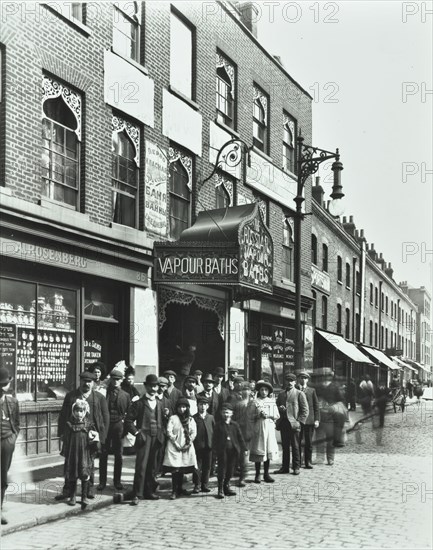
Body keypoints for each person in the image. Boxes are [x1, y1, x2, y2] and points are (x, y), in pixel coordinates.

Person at [57, 371, 109, 501]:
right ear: (80, 381)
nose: (87, 384)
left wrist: (102, 437)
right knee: (71, 462)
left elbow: (105, 418)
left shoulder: (99, 398)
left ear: (93, 383)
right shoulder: (71, 396)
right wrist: (62, 434)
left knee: (89, 463)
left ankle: (88, 489)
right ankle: (68, 490)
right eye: (84, 381)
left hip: (90, 437)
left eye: (89, 382)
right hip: (74, 435)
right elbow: (63, 416)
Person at [124, 374, 165, 504]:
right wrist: (136, 433)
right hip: (144, 438)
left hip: (156, 438)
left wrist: (161, 434)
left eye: (155, 386)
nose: (153, 389)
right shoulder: (139, 404)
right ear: (146, 386)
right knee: (141, 466)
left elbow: (165, 421)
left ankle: (149, 491)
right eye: (151, 386)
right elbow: (129, 421)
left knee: (153, 467)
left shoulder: (160, 403)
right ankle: (137, 494)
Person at [61, 399, 99, 509]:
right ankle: (72, 496)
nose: (79, 413)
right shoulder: (69, 425)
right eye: (77, 411)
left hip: (85, 453)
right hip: (73, 453)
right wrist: (66, 453)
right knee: (73, 474)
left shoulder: (89, 425)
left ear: (85, 411)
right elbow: (66, 440)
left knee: (84, 474)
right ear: (73, 411)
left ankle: (84, 496)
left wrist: (94, 444)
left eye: (81, 411)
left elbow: (94, 439)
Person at [98, 368, 131, 491]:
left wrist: (125, 425)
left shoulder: (126, 395)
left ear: (122, 380)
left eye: (118, 379)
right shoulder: (103, 393)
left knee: (118, 454)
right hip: (105, 426)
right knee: (103, 454)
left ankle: (117, 481)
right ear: (110, 379)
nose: (116, 382)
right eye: (114, 379)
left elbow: (129, 413)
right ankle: (102, 482)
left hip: (118, 426)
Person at [163, 397, 197, 500]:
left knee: (182, 468)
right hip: (175, 446)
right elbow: (169, 431)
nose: (182, 409)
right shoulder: (173, 418)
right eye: (180, 407)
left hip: (186, 446)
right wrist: (176, 443)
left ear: (187, 408)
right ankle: (174, 490)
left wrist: (189, 443)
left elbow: (193, 432)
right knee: (175, 469)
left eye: (184, 407)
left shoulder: (191, 419)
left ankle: (180, 488)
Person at [274, 373, 308, 475]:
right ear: (285, 381)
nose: (289, 382)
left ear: (295, 382)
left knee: (295, 446)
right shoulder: (281, 394)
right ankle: (285, 467)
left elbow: (305, 410)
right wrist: (280, 409)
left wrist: (299, 422)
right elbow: (275, 408)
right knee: (285, 446)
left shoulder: (299, 394)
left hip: (294, 424)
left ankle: (296, 467)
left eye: (291, 380)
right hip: (284, 423)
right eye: (287, 380)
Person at [212, 402, 247, 499]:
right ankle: (220, 489)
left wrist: (244, 448)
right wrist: (214, 451)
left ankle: (226, 486)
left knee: (230, 470)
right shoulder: (218, 425)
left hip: (233, 451)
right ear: (221, 413)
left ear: (231, 413)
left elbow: (240, 438)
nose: (225, 414)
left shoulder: (235, 425)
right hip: (222, 451)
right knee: (221, 470)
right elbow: (214, 439)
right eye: (224, 412)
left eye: (227, 412)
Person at [248, 380, 279, 483]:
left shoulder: (271, 401)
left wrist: (269, 416)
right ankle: (257, 474)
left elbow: (276, 415)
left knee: (267, 449)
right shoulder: (255, 402)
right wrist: (258, 415)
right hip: (259, 428)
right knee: (259, 450)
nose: (264, 392)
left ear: (268, 391)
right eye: (262, 389)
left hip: (269, 427)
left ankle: (266, 474)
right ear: (259, 391)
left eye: (266, 390)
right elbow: (250, 416)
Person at [0, 366, 20, 526]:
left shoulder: (12, 402)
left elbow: (17, 423)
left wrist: (13, 438)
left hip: (7, 441)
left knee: (2, 476)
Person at [227, 377, 252, 486]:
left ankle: (242, 477)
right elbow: (229, 415)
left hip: (247, 433)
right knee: (232, 455)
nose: (246, 391)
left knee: (244, 457)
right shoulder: (235, 401)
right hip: (236, 431)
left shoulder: (253, 403)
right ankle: (230, 476)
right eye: (244, 389)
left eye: (248, 390)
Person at [297, 372, 320, 469]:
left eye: (305, 378)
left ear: (308, 379)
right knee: (297, 442)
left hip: (310, 421)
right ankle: (297, 462)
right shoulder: (294, 390)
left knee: (309, 442)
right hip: (298, 420)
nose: (303, 379)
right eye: (301, 377)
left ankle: (308, 462)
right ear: (298, 379)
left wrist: (317, 420)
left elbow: (316, 406)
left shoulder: (312, 390)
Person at [192, 395, 214, 493]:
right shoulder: (194, 418)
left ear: (208, 406)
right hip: (197, 446)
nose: (203, 407)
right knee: (197, 466)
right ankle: (197, 484)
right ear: (197, 405)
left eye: (205, 404)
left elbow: (214, 431)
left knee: (207, 466)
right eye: (201, 404)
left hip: (209, 446)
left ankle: (205, 484)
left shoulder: (211, 418)